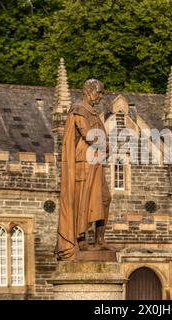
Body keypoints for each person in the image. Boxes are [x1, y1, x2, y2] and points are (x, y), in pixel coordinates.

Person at [55, 79, 112, 261]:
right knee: (84, 201)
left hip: (96, 162)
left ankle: (100, 239)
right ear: (89, 91)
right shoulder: (79, 109)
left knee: (104, 198)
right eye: (99, 93)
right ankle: (80, 240)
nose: (101, 96)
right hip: (83, 162)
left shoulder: (94, 112)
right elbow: (88, 134)